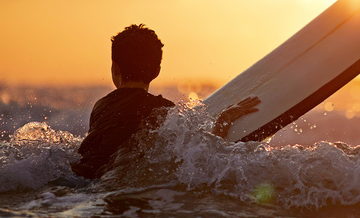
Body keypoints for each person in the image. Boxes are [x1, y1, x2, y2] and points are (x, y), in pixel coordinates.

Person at [71, 24, 259, 179]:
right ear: (157, 71)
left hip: (82, 177)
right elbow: (200, 156)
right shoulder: (163, 110)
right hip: (114, 180)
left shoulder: (101, 106)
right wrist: (224, 119)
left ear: (115, 68)